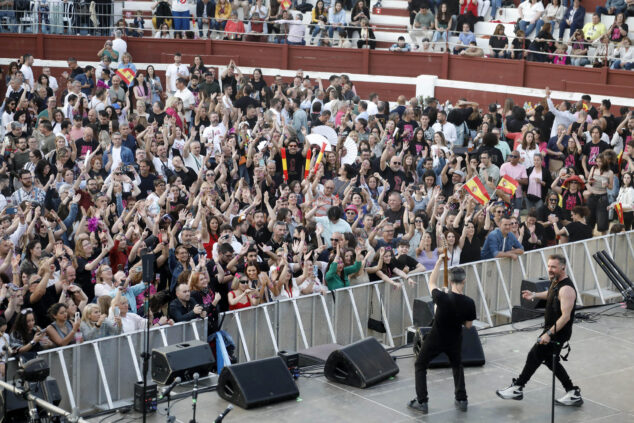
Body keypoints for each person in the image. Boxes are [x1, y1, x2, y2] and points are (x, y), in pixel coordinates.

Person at [496, 254, 583, 407]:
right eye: (549, 266)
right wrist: (534, 295)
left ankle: (518, 387)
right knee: (550, 361)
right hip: (550, 330)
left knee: (534, 355)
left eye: (553, 267)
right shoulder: (555, 282)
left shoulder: (567, 289)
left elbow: (566, 317)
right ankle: (572, 392)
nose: (550, 269)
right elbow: (550, 295)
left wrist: (549, 334)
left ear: (563, 267)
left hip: (557, 333)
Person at [408, 254, 476, 414]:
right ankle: (462, 399)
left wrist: (438, 262)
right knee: (457, 365)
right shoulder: (469, 302)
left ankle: (422, 401)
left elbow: (431, 282)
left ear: (451, 281)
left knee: (420, 365)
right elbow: (468, 325)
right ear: (464, 281)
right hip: (454, 338)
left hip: (436, 337)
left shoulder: (441, 297)